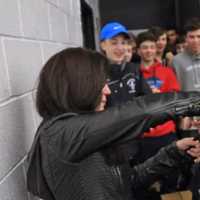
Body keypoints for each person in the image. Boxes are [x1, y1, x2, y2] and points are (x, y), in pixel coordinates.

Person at [27, 47, 200, 200]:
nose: (108, 90)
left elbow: (127, 183)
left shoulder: (85, 134)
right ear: (78, 85)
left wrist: (173, 152)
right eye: (101, 84)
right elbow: (144, 111)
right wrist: (194, 103)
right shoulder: (60, 134)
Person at [172, 17, 200, 200]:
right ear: (185, 39)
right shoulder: (176, 60)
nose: (196, 40)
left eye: (199, 36)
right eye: (192, 36)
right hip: (188, 114)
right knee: (190, 153)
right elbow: (174, 91)